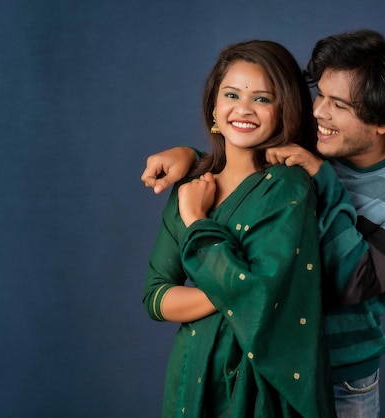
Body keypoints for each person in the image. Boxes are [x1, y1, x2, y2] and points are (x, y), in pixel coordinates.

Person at [142, 30, 385, 418]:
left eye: (337, 104)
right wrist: (192, 156)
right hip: (247, 363)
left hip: (340, 371)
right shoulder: (311, 142)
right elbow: (241, 156)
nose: (318, 111)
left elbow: (355, 282)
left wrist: (323, 180)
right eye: (319, 93)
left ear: (382, 120)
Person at [143, 39, 337, 417]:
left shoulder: (288, 187)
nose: (243, 108)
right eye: (231, 94)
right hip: (193, 373)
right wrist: (241, 293)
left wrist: (197, 221)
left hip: (258, 383)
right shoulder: (190, 185)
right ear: (215, 106)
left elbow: (263, 293)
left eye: (263, 99)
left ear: (284, 110)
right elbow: (155, 297)